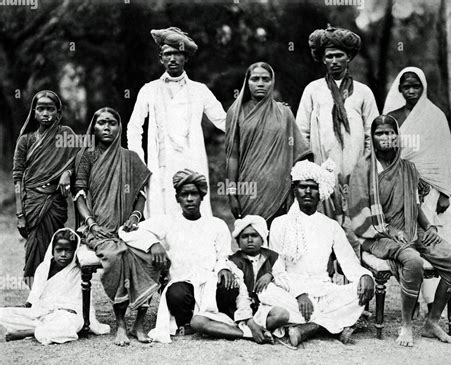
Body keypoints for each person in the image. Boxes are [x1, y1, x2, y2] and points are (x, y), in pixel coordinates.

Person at [349, 115, 451, 347]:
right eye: (380, 133)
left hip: (412, 227)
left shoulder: (407, 168)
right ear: (372, 138)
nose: (387, 137)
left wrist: (429, 226)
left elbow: (414, 205)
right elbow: (358, 212)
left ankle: (431, 323)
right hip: (378, 235)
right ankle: (406, 326)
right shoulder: (364, 169)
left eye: (391, 132)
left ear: (397, 135)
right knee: (413, 260)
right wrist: (390, 229)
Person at [74, 107, 161, 346]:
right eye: (101, 123)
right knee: (114, 257)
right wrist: (90, 223)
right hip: (98, 229)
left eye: (112, 123)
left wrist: (135, 217)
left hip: (128, 229)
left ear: (119, 127)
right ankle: (121, 324)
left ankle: (140, 324)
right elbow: (79, 194)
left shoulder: (130, 157)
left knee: (152, 257)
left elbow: (141, 194)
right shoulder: (87, 156)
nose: (107, 127)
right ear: (94, 127)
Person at [118, 169, 236, 344]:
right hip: (183, 282)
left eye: (194, 194)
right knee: (175, 294)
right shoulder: (168, 221)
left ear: (202, 197)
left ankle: (219, 320)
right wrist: (153, 244)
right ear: (177, 198)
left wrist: (224, 268)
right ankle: (188, 322)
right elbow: (126, 232)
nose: (189, 199)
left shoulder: (216, 224)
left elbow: (222, 256)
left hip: (209, 281)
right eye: (184, 194)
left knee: (229, 285)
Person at [269, 159, 375, 347]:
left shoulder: (331, 226)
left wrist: (365, 276)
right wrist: (300, 294)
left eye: (313, 187)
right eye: (303, 187)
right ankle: (333, 325)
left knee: (359, 290)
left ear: (321, 193)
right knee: (270, 296)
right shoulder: (279, 223)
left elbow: (349, 264)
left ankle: (308, 328)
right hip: (290, 291)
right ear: (295, 190)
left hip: (324, 290)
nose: (308, 192)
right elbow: (277, 269)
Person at [127, 27, 226, 218]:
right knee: (162, 214)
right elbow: (134, 127)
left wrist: (255, 114)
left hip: (191, 162)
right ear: (161, 58)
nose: (172, 59)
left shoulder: (200, 90)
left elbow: (225, 122)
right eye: (167, 54)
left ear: (186, 58)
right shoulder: (149, 89)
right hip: (160, 165)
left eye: (177, 54)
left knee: (192, 214)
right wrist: (138, 161)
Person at [296, 25, 379, 252]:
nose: (334, 60)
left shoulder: (363, 92)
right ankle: (328, 275)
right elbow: (301, 131)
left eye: (339, 55)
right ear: (323, 59)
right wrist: (310, 168)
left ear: (349, 57)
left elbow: (373, 131)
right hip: (322, 169)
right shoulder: (313, 90)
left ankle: (358, 274)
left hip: (356, 169)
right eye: (329, 56)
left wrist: (365, 164)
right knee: (324, 224)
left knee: (355, 226)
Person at [384, 67, 451, 314]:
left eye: (416, 86)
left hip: (433, 190)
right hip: (402, 189)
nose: (411, 90)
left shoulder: (435, 116)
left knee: (435, 243)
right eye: (407, 86)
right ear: (400, 88)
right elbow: (385, 154)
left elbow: (445, 153)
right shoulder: (392, 117)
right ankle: (411, 298)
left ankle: (434, 305)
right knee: (408, 242)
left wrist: (446, 192)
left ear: (423, 87)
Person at [191, 215, 304, 346]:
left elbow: (285, 281)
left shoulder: (273, 257)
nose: (250, 240)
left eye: (254, 236)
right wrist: (250, 323)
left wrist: (271, 276)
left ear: (262, 239)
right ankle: (249, 334)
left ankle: (243, 331)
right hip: (237, 311)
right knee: (197, 321)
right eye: (244, 237)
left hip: (262, 309)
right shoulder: (233, 261)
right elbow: (241, 295)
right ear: (238, 241)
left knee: (282, 315)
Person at [225, 62, 312, 225]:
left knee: (280, 238)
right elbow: (232, 156)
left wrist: (295, 188)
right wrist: (231, 194)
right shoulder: (236, 112)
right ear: (247, 82)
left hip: (280, 188)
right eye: (255, 79)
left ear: (272, 82)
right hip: (248, 188)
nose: (260, 83)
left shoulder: (284, 112)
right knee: (253, 237)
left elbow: (299, 154)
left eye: (265, 79)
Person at [13, 90, 81, 288]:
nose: (45, 113)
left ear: (58, 113)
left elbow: (82, 160)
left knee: (57, 249)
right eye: (41, 109)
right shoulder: (25, 140)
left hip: (55, 203)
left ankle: (53, 295)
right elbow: (18, 178)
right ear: (34, 112)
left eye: (50, 109)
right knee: (33, 251)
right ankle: (35, 297)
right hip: (32, 203)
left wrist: (67, 172)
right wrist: (19, 214)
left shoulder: (66, 135)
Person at [0, 228, 109, 345]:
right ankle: (40, 329)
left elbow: (81, 304)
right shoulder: (43, 268)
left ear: (75, 251)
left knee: (69, 323)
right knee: (4, 314)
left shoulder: (78, 271)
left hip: (66, 315)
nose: (63, 254)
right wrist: (24, 309)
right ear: (52, 250)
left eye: (68, 250)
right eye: (59, 250)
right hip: (42, 314)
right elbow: (34, 297)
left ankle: (27, 332)